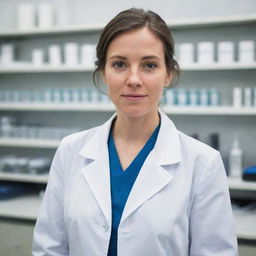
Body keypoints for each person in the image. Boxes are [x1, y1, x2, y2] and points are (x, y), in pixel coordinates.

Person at [32, 8, 238, 256]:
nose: (134, 79)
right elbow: (49, 248)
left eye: (149, 65)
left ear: (168, 74)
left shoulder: (203, 163)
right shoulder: (70, 150)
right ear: (103, 73)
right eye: (119, 64)